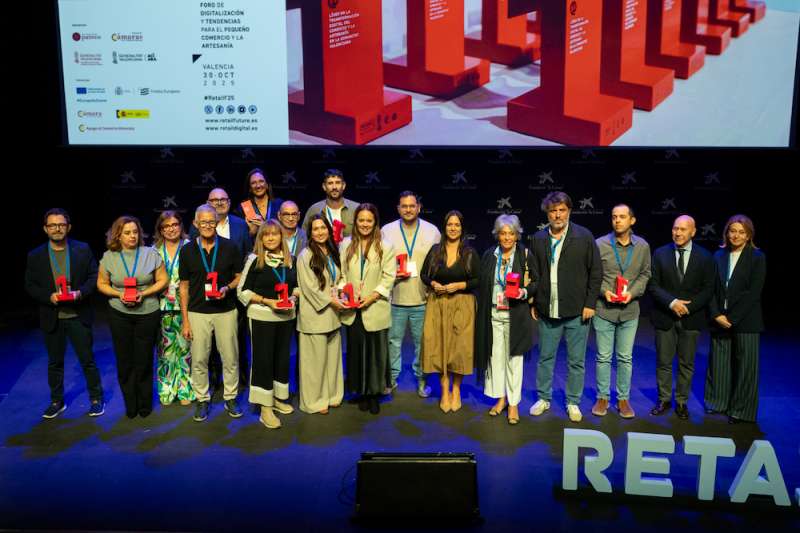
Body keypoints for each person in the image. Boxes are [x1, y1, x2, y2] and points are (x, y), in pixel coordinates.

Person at [528, 192, 602, 423]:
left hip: (577, 311)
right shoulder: (539, 238)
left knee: (576, 360)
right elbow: (535, 273)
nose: (557, 214)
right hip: (548, 310)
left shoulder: (584, 236)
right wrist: (534, 301)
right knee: (545, 357)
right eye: (553, 211)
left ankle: (573, 402)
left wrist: (590, 303)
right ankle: (543, 398)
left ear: (569, 211)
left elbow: (596, 272)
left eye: (561, 210)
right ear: (547, 214)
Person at [25, 208, 104, 418]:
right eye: (52, 225)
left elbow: (94, 276)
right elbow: (30, 285)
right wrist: (48, 296)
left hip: (78, 315)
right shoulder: (35, 256)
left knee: (87, 360)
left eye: (61, 224)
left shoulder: (82, 249)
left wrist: (81, 293)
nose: (57, 228)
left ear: (68, 227)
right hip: (53, 317)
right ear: (45, 229)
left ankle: (96, 399)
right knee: (55, 362)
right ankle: (57, 401)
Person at [97, 215, 167, 418]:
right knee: (125, 360)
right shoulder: (109, 256)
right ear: (118, 235)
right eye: (127, 233)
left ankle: (145, 404)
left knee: (144, 359)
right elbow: (102, 283)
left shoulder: (150, 253)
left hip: (147, 311)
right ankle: (131, 404)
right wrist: (119, 294)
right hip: (119, 312)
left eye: (135, 232)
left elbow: (163, 279)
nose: (132, 236)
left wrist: (143, 294)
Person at [179, 204, 243, 422]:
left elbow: (239, 276)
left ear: (217, 223)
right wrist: (185, 321)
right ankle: (202, 399)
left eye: (211, 222)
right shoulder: (187, 250)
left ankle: (231, 397)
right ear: (196, 224)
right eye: (203, 222)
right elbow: (184, 287)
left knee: (231, 357)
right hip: (198, 312)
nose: (207, 226)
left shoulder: (230, 246)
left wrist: (228, 288)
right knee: (199, 358)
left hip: (226, 310)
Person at [648, 215, 715, 420]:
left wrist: (688, 307)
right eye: (675, 228)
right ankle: (664, 400)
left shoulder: (705, 257)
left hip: (691, 318)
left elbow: (708, 289)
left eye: (683, 229)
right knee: (664, 362)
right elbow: (653, 285)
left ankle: (682, 402)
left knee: (686, 363)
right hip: (665, 316)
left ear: (693, 232)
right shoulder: (660, 253)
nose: (678, 233)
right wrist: (672, 303)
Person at [591, 205, 651, 419]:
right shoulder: (600, 244)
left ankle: (623, 399)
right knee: (603, 357)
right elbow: (592, 275)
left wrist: (632, 293)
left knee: (625, 357)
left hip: (629, 310)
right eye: (614, 217)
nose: (617, 220)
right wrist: (604, 292)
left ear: (632, 221)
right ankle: (603, 397)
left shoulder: (642, 246)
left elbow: (645, 274)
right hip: (604, 310)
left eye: (622, 217)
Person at [474, 214, 535, 425]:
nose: (507, 238)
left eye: (511, 233)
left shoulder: (525, 255)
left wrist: (523, 293)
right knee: (496, 359)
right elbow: (482, 283)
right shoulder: (490, 255)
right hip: (493, 314)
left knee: (514, 361)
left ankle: (514, 403)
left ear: (517, 235)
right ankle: (500, 399)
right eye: (503, 233)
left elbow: (535, 282)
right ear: (497, 235)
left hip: (515, 315)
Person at [705, 214, 765, 424]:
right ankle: (717, 402)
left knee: (746, 367)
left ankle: (741, 410)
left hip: (746, 321)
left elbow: (753, 292)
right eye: (732, 231)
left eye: (741, 232)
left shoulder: (757, 257)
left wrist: (733, 318)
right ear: (727, 233)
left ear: (748, 235)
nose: (736, 235)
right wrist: (716, 314)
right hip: (720, 318)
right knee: (719, 363)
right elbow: (709, 289)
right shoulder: (718, 256)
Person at [238, 219, 299, 429]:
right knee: (263, 360)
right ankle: (264, 407)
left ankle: (277, 398)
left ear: (282, 237)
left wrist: (293, 299)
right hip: (261, 317)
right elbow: (242, 291)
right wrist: (267, 301)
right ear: (260, 238)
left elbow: (296, 287)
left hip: (285, 317)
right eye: (266, 234)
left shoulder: (290, 260)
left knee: (281, 359)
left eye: (275, 234)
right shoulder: (254, 260)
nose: (271, 238)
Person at [191, 187, 252, 391]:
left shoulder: (240, 225)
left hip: (231, 295)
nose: (219, 203)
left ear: (229, 201)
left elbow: (246, 256)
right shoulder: (196, 231)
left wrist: (234, 286)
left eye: (223, 199)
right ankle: (213, 379)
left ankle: (235, 384)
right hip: (202, 302)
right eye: (214, 200)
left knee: (233, 346)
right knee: (204, 351)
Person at [381, 191, 441, 397]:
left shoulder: (432, 231)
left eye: (412, 206)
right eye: (404, 206)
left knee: (422, 343)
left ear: (419, 207)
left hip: (422, 299)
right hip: (394, 298)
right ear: (398, 208)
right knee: (392, 342)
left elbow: (439, 264)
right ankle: (391, 378)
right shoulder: (386, 231)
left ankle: (422, 380)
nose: (408, 209)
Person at [421, 210, 480, 413]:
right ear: (444, 227)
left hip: (462, 304)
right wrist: (434, 283)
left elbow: (477, 280)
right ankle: (444, 391)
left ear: (462, 228)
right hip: (438, 304)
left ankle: (456, 390)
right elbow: (423, 275)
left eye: (457, 225)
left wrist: (460, 285)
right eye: (449, 225)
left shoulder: (469, 252)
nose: (453, 228)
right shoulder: (436, 250)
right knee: (441, 348)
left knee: (459, 350)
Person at [339, 204, 396, 414]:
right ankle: (360, 392)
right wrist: (345, 293)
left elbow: (389, 277)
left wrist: (372, 297)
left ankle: (374, 394)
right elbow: (342, 275)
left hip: (376, 307)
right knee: (356, 351)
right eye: (361, 220)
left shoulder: (386, 246)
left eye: (369, 221)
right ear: (356, 222)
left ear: (375, 223)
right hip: (353, 309)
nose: (365, 224)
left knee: (376, 353)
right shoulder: (345, 244)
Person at [296, 214, 347, 414]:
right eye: (315, 229)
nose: (320, 232)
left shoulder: (333, 251)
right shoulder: (305, 255)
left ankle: (333, 395)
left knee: (333, 359)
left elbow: (339, 277)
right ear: (310, 233)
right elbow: (309, 288)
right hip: (315, 315)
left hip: (333, 314)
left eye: (323, 228)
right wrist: (332, 301)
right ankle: (315, 401)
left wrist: (342, 291)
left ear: (329, 229)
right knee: (314, 363)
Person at [153, 211, 195, 406]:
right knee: (165, 351)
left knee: (186, 349)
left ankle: (186, 389)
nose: (171, 229)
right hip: (161, 307)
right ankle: (167, 388)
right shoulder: (153, 250)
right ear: (161, 230)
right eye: (166, 226)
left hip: (186, 306)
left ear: (181, 226)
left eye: (174, 224)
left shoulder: (190, 247)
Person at [302, 169, 359, 245]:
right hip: (322, 255)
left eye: (338, 183)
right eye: (330, 183)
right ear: (324, 186)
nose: (334, 187)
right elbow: (305, 237)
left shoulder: (356, 208)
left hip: (350, 255)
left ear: (344, 185)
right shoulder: (314, 209)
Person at [238, 168, 282, 237]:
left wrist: (264, 226)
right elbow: (239, 239)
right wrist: (252, 232)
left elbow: (286, 231)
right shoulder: (246, 207)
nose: (258, 186)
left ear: (267, 185)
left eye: (261, 181)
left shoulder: (278, 204)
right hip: (254, 247)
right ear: (250, 188)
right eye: (253, 183)